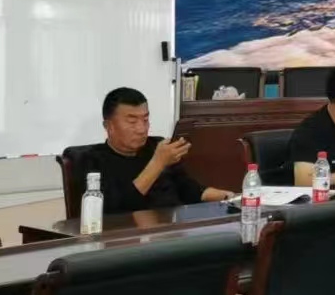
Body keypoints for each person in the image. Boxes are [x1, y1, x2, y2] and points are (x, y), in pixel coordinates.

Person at [84, 87, 234, 213]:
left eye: (145, 120)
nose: (142, 129)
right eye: (132, 121)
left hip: (173, 229)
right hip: (131, 235)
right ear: (108, 126)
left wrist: (229, 197)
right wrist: (158, 163)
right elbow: (116, 209)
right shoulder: (92, 160)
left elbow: (189, 190)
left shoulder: (157, 146)